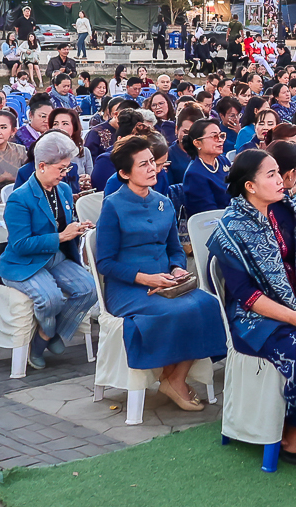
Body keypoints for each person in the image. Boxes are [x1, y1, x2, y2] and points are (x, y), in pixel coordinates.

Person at [207, 147, 296, 463]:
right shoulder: (231, 230)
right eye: (271, 174)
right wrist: (295, 318)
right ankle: (291, 434)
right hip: (256, 320)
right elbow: (246, 296)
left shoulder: (288, 211)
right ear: (250, 186)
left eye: (278, 172)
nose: (282, 179)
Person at [95, 136, 224, 407]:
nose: (152, 168)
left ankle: (175, 377)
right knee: (173, 312)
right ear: (125, 173)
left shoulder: (163, 201)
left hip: (167, 282)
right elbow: (104, 263)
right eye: (143, 165)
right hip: (129, 288)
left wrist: (177, 269)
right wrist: (145, 278)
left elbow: (175, 249)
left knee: (208, 305)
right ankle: (171, 378)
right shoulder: (113, 205)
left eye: (152, 162)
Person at [0, 133, 100, 368]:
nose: (65, 173)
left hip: (55, 256)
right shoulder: (19, 198)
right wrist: (62, 236)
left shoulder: (63, 189)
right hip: (24, 263)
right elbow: (20, 245)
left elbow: (63, 223)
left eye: (67, 168)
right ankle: (43, 340)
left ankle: (48, 334)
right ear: (42, 166)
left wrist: (77, 228)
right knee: (50, 298)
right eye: (61, 168)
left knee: (89, 289)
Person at [177, 118, 231, 215]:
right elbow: (208, 213)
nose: (220, 140)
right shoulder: (194, 174)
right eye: (214, 136)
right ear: (197, 143)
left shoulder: (223, 161)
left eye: (221, 136)